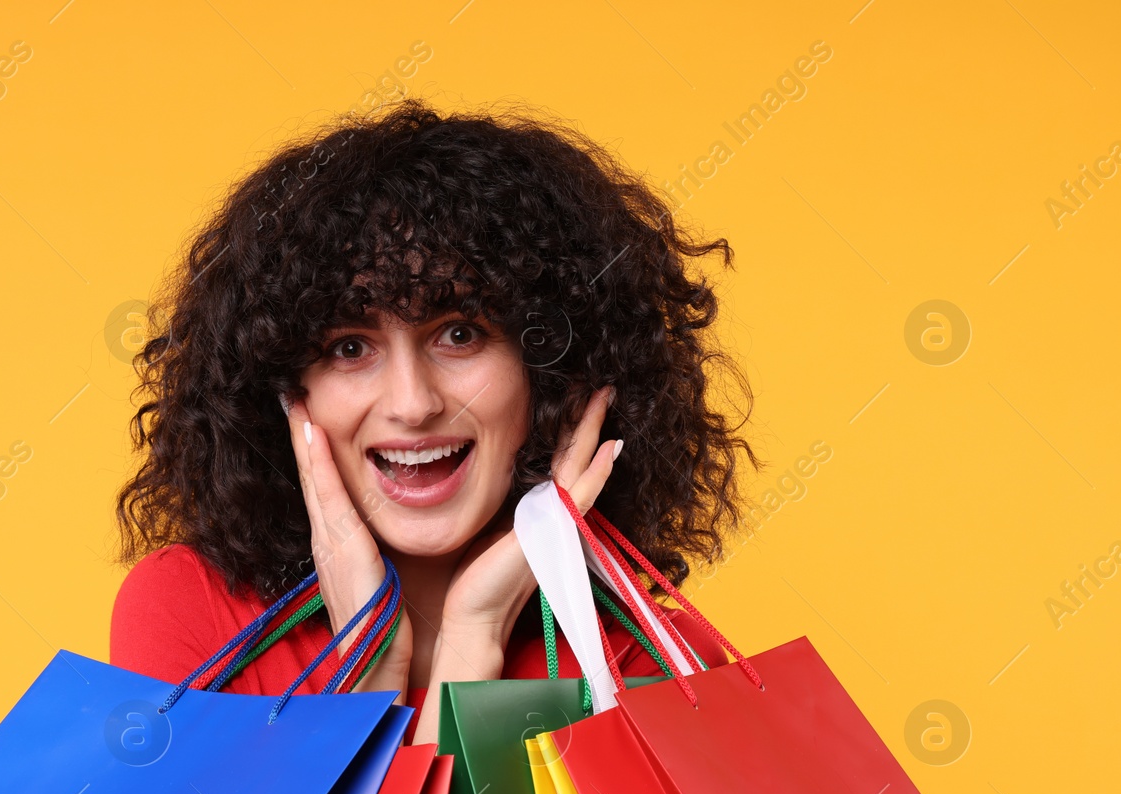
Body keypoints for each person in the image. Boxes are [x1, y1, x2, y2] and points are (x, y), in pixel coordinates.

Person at [110, 99, 755, 744]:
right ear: (279, 386)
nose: (413, 404)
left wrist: (476, 640)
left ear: (552, 367)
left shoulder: (646, 662)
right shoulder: (196, 614)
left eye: (459, 334)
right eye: (349, 347)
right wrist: (373, 669)